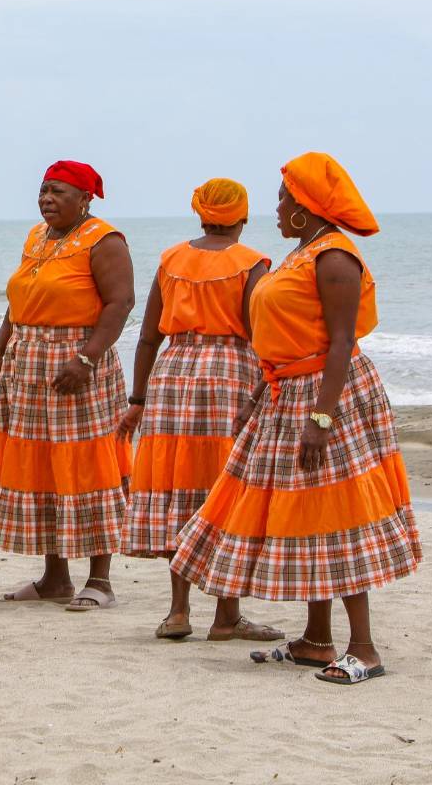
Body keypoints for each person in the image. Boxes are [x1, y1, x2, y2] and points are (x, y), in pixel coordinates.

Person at [171, 152, 421, 685]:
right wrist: (260, 391)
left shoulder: (334, 258)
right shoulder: (300, 254)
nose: (277, 207)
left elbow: (341, 343)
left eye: (285, 199)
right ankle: (314, 640)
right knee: (307, 511)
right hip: (289, 391)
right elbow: (285, 336)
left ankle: (365, 648)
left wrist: (322, 420)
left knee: (338, 510)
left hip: (327, 395)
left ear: (307, 208)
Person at [118, 178, 281, 642]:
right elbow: (261, 331)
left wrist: (138, 398)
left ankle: (177, 612)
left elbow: (149, 335)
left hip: (172, 371)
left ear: (200, 213)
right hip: (229, 373)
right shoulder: (253, 264)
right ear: (243, 218)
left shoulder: (171, 259)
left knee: (177, 486)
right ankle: (227, 616)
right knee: (222, 487)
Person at [0, 160, 135, 611]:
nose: (47, 199)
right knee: (44, 463)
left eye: (58, 192)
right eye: (43, 191)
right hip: (29, 362)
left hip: (77, 364)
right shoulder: (36, 238)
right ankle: (55, 577)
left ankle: (100, 579)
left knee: (87, 461)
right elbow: (18, 301)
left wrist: (87, 358)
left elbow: (121, 303)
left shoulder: (105, 241)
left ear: (85, 199)